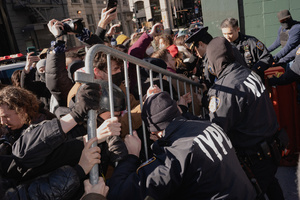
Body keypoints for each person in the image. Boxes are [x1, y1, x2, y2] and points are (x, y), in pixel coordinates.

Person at [106, 90, 257, 200]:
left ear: (155, 131)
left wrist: (131, 156)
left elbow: (120, 193)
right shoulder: (207, 125)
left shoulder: (176, 153)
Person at [205, 37, 285, 199]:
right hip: (272, 149)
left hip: (254, 157)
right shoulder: (249, 73)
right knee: (271, 184)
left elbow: (218, 131)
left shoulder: (224, 89)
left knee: (254, 192)